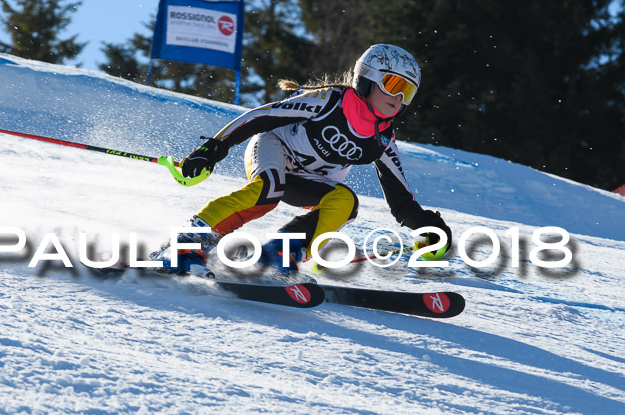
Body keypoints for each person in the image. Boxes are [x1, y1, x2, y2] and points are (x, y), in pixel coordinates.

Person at [153, 44, 452, 276]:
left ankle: (278, 255)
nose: (399, 99)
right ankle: (188, 242)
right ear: (367, 80)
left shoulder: (383, 139)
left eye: (407, 92)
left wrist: (427, 226)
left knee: (347, 203)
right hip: (274, 147)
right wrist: (213, 149)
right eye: (393, 85)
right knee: (268, 190)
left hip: (307, 180)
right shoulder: (330, 101)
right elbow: (261, 117)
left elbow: (400, 200)